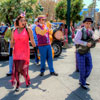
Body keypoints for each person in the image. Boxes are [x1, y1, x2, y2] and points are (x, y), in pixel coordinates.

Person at [10, 15, 35, 91]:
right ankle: (26, 79)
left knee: (19, 69)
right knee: (18, 69)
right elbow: (12, 41)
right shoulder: (14, 31)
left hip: (25, 52)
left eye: (24, 20)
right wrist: (10, 50)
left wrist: (36, 49)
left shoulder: (28, 30)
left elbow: (32, 40)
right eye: (21, 21)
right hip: (16, 52)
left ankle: (18, 85)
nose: (23, 22)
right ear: (18, 22)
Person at [74, 17, 100, 90]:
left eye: (89, 23)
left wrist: (96, 41)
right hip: (80, 52)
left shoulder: (91, 32)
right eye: (87, 23)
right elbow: (76, 40)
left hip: (87, 52)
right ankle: (83, 82)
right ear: (84, 23)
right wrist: (85, 43)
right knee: (82, 69)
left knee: (90, 67)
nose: (88, 25)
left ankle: (82, 80)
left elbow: (92, 40)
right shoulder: (80, 31)